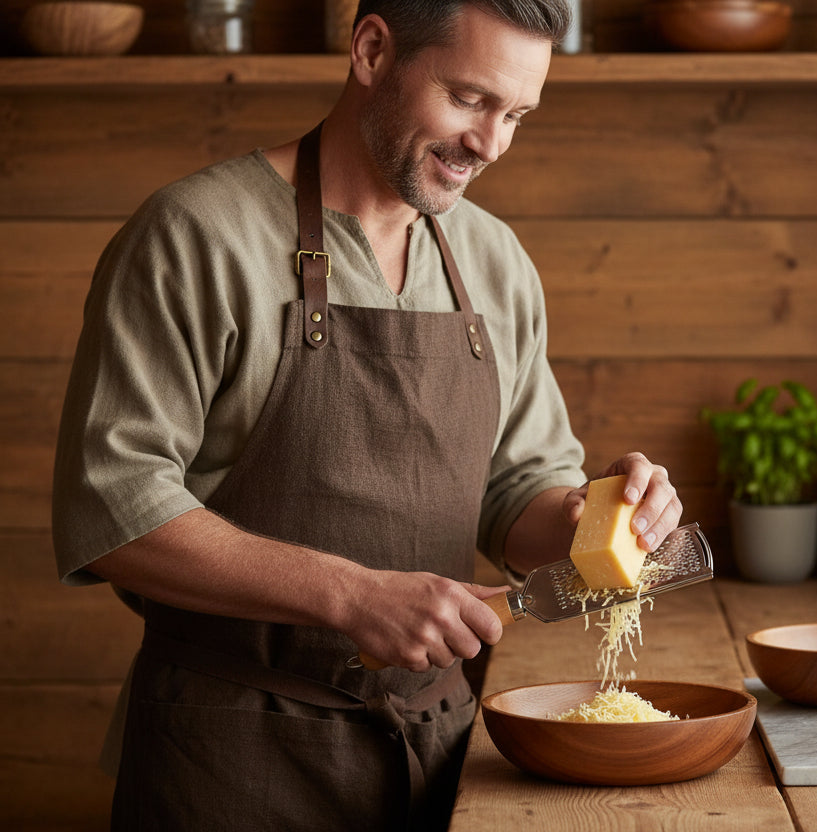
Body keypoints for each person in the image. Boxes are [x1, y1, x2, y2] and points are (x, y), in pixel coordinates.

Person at [50, 1, 682, 829]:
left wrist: (593, 521)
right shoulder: (196, 237)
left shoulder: (495, 262)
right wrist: (348, 595)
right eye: (467, 99)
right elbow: (113, 507)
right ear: (374, 49)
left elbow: (517, 491)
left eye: (516, 114)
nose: (490, 144)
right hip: (231, 759)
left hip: (442, 760)